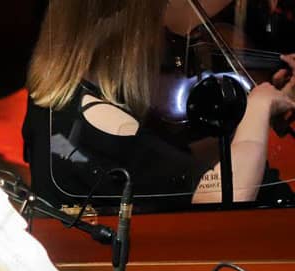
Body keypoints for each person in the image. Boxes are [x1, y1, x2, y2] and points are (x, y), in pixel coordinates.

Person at [22, 0, 295, 208]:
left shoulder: (53, 102)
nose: (169, 41)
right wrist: (258, 108)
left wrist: (248, 120)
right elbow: (222, 197)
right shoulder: (103, 123)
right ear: (126, 29)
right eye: (157, 19)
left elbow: (174, 159)